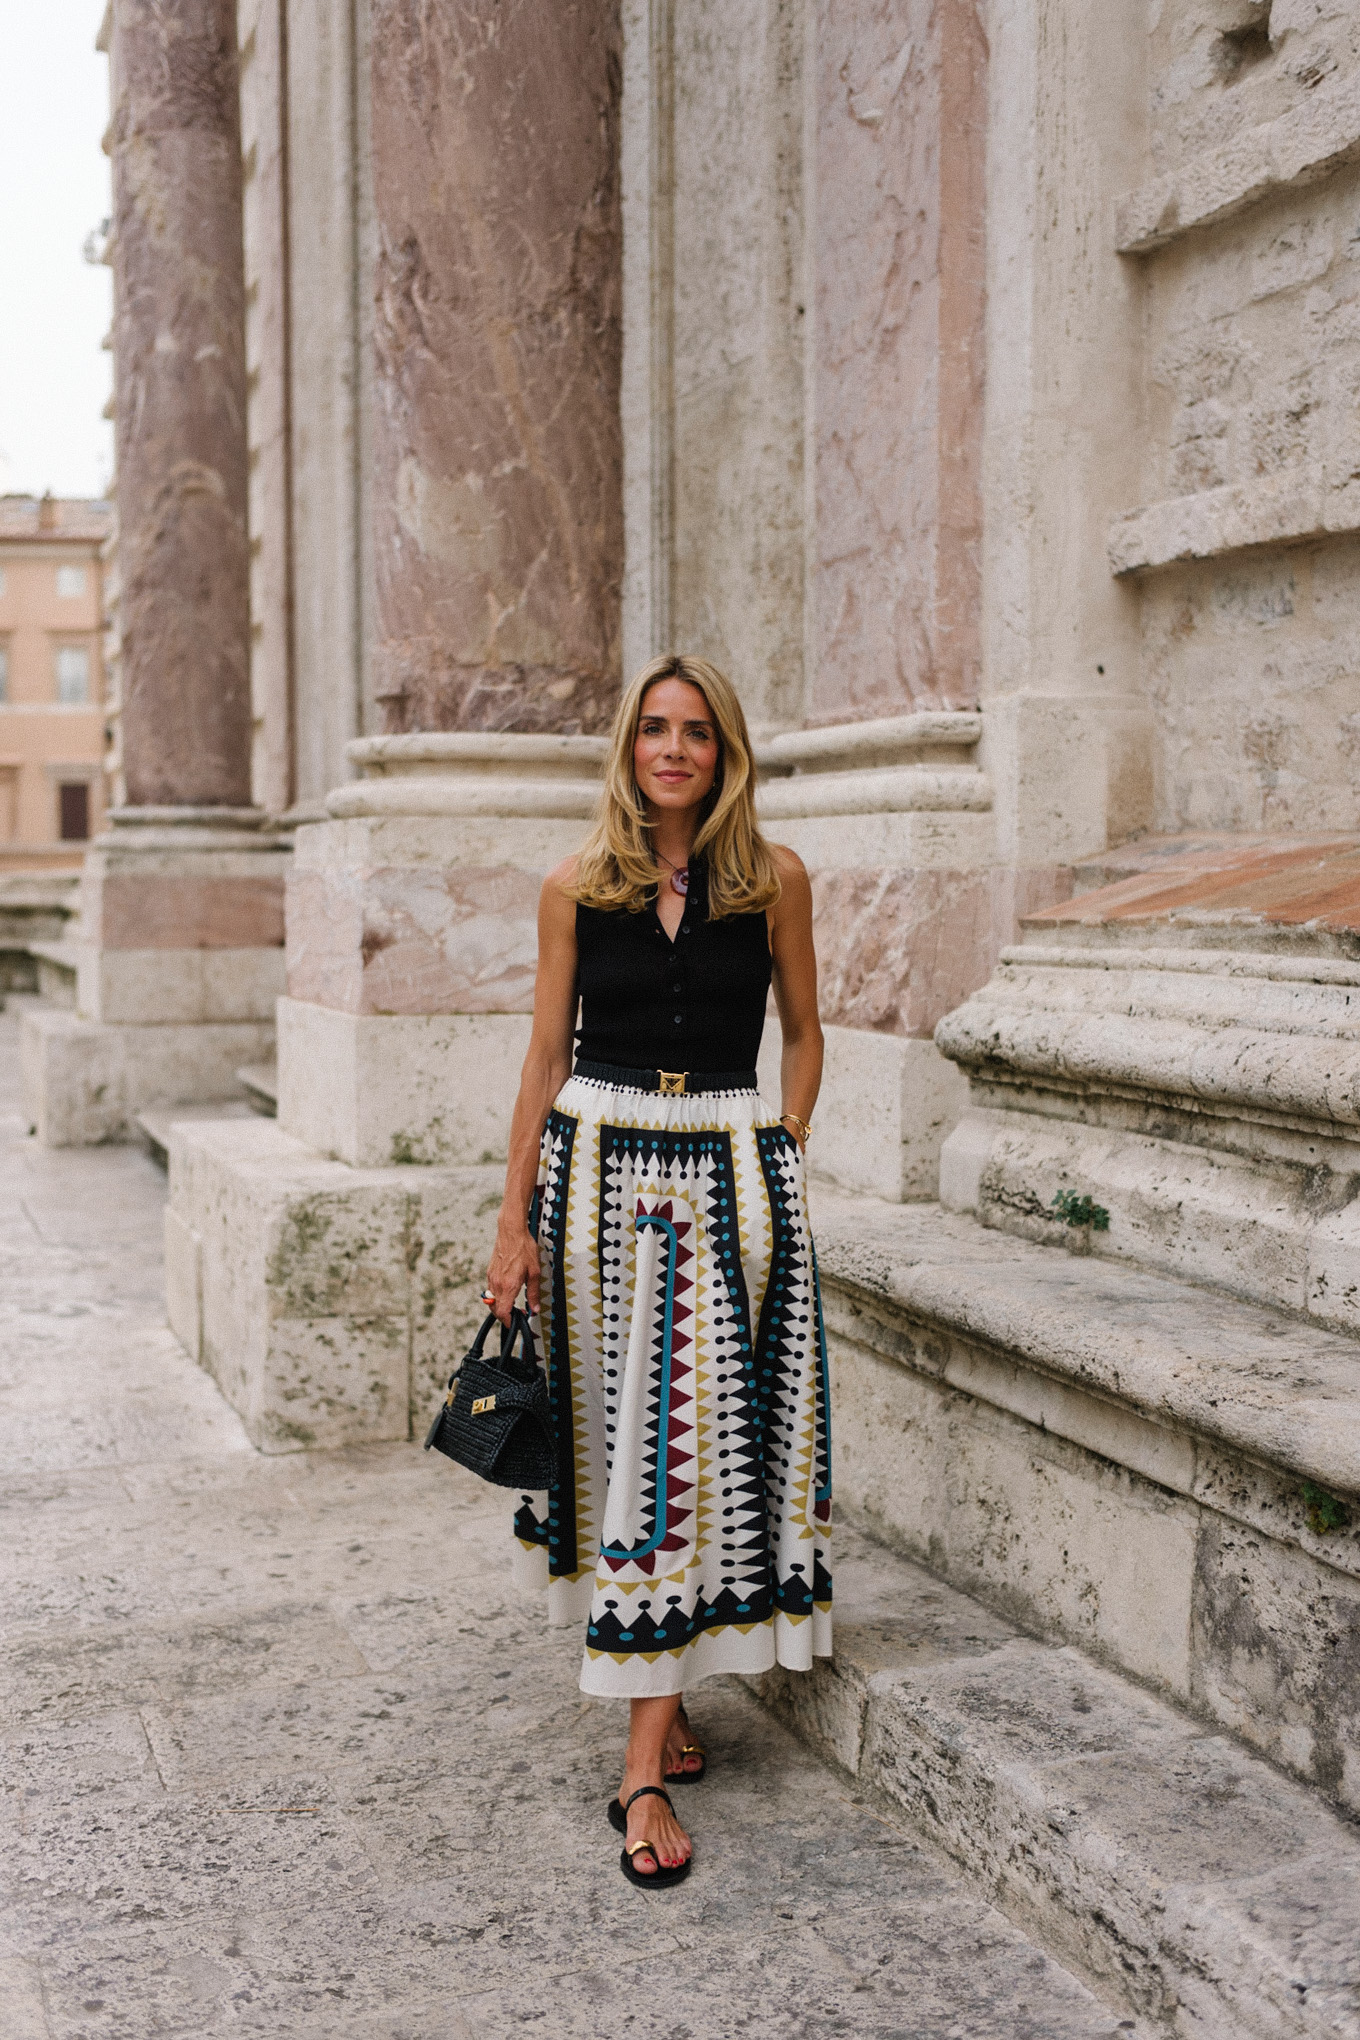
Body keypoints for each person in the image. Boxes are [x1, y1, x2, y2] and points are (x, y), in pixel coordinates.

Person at [483, 652, 832, 1889]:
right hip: (593, 1178)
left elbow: (803, 1031)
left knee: (685, 1450)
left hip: (726, 1177)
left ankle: (637, 1763)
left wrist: (778, 1155)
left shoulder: (775, 879)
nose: (672, 749)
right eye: (652, 730)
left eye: (694, 731)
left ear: (725, 751)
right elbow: (540, 1058)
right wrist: (513, 1221)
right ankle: (662, 1701)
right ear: (628, 749)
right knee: (611, 1446)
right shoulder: (575, 884)